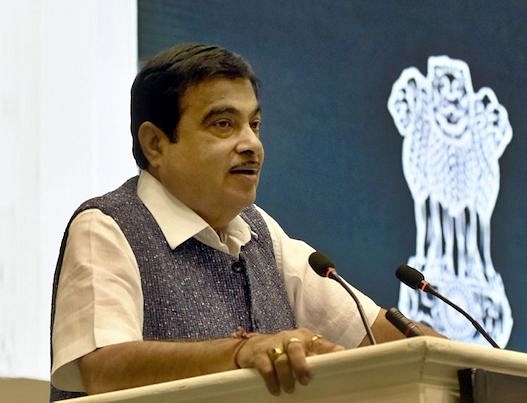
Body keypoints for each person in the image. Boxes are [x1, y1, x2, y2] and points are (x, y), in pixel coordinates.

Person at [50, 43, 440, 401]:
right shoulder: (107, 226)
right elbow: (102, 367)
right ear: (155, 144)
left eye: (254, 125)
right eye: (223, 124)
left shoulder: (259, 232)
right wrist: (242, 351)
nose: (251, 144)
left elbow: (373, 334)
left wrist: (452, 358)